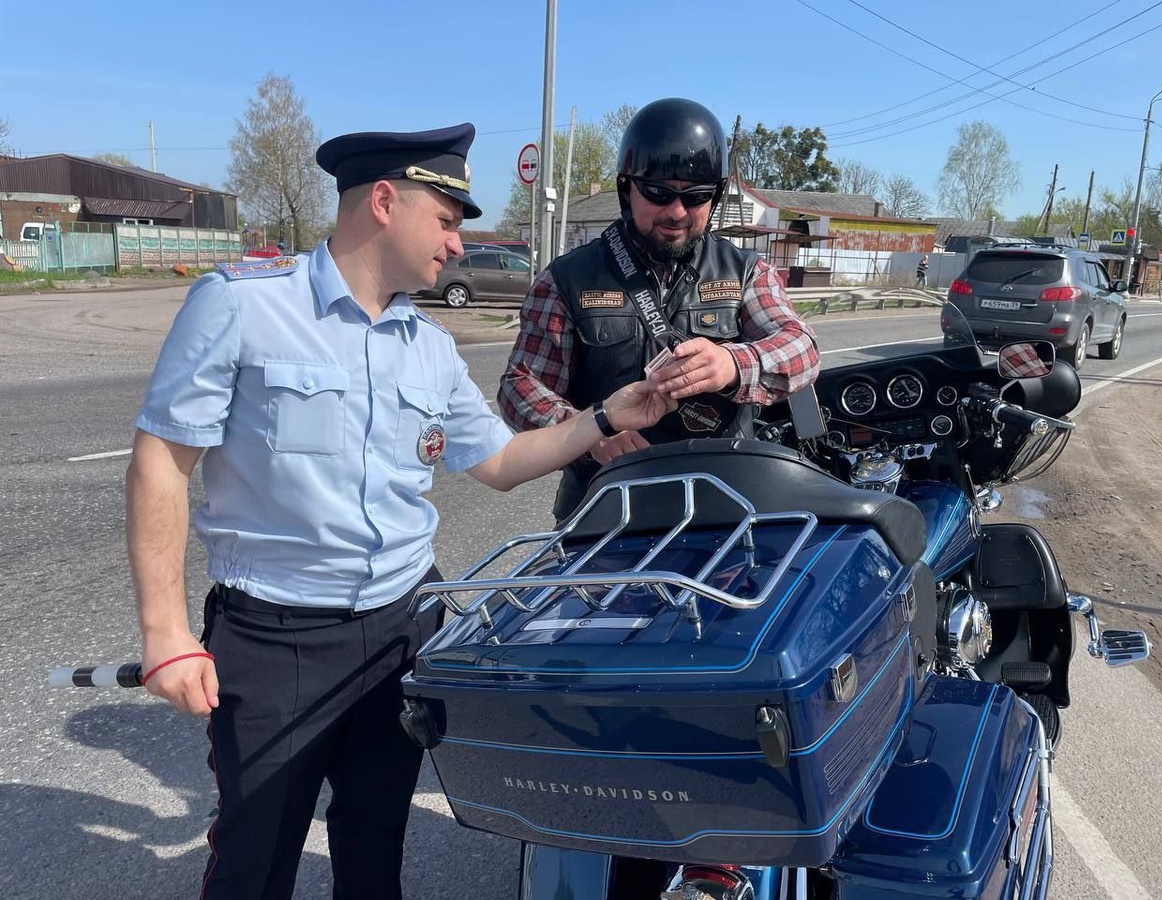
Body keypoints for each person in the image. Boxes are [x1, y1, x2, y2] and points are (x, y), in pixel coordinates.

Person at [125, 123, 675, 900]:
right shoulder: (244, 305)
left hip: (400, 632)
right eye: (447, 220)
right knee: (256, 858)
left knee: (375, 840)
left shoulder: (429, 346)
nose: (457, 243)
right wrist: (166, 635)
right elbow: (161, 460)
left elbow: (498, 462)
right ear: (384, 202)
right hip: (276, 640)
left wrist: (607, 416)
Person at [498, 97, 821, 522]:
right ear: (626, 189)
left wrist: (732, 364)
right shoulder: (566, 279)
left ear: (715, 198)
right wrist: (590, 430)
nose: (676, 212)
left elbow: (802, 348)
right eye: (658, 194)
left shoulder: (745, 272)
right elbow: (520, 385)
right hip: (604, 505)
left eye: (696, 197)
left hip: (725, 501)